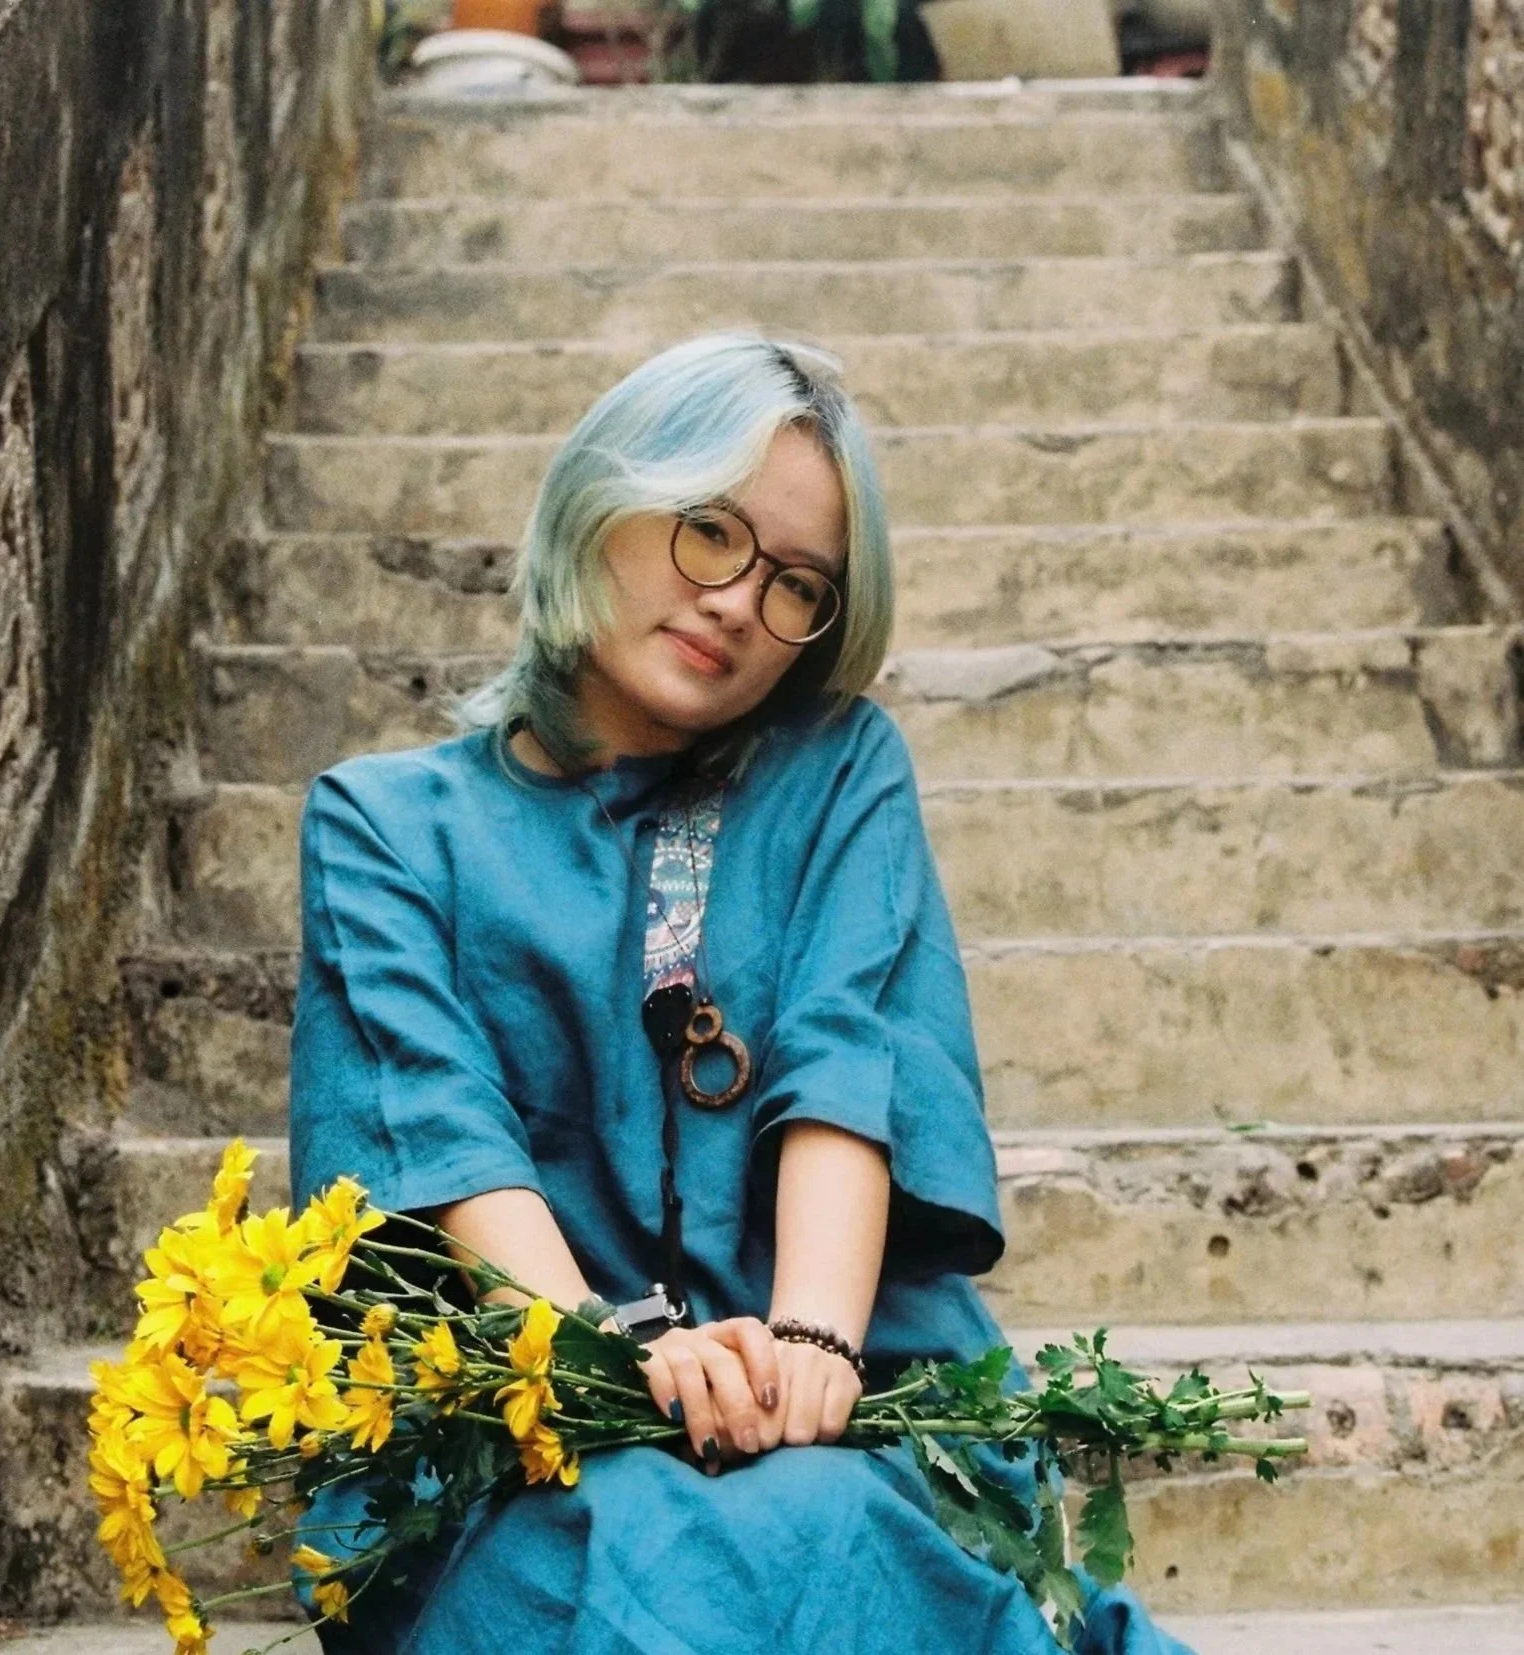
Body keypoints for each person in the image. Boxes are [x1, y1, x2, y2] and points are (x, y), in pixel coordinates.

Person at [288, 332, 1193, 1653]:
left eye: (796, 586)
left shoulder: (837, 770)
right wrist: (608, 1358)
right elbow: (438, 1129)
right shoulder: (385, 824)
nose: (735, 602)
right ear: (608, 497)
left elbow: (844, 1054)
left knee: (822, 1533)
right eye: (709, 532)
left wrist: (813, 1345)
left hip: (842, 1397)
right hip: (520, 1429)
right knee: (643, 1573)